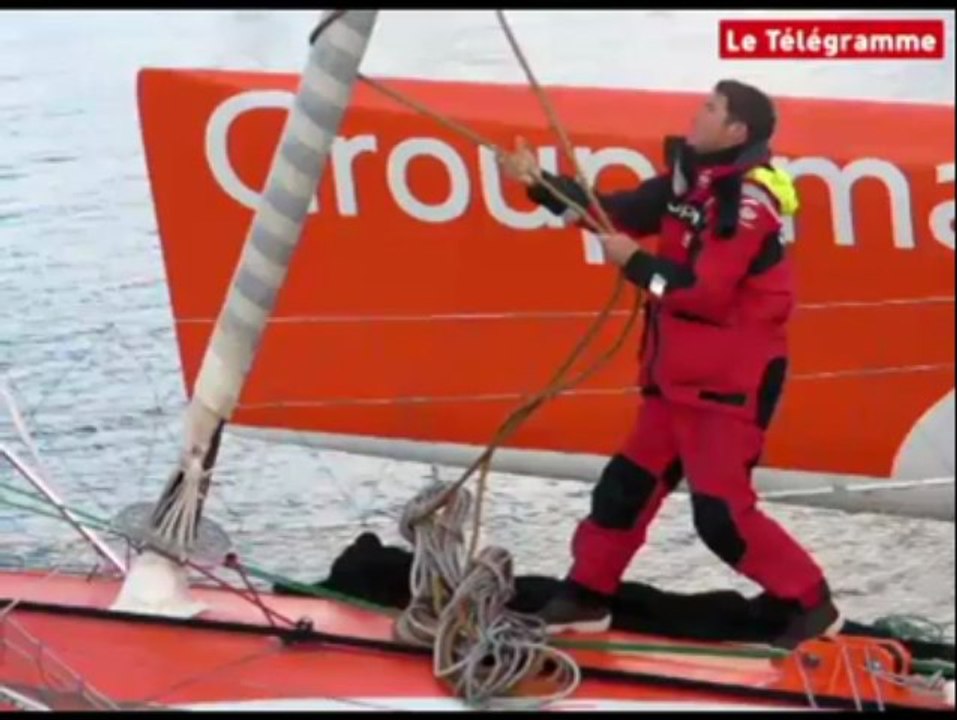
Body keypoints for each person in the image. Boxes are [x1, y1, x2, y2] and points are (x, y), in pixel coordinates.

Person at [498, 79, 843, 650]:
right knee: (622, 491)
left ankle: (810, 605)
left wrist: (636, 264)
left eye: (711, 108)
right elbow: (615, 213)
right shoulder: (692, 182)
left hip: (728, 390)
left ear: (736, 131)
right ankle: (586, 598)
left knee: (721, 519)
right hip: (675, 382)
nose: (697, 113)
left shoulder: (746, 200)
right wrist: (538, 184)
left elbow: (704, 295)